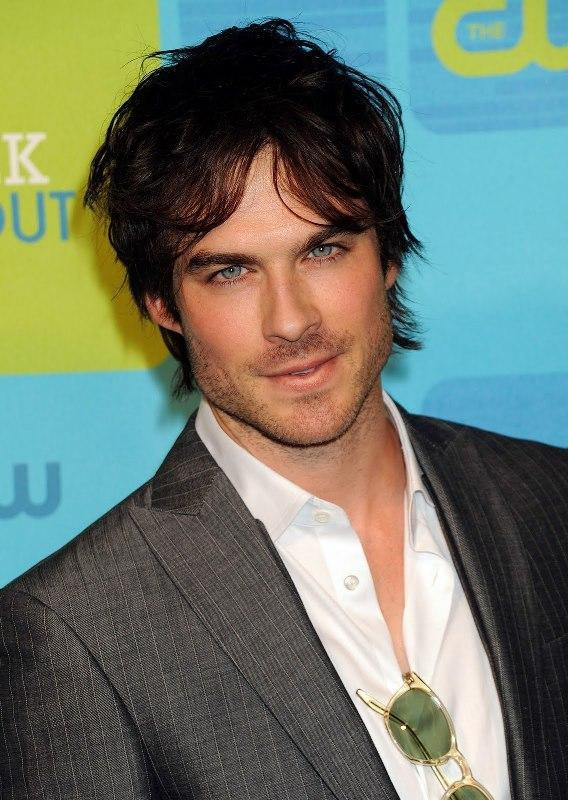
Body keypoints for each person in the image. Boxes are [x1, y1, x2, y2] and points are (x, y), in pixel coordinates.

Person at [0, 18, 566, 800]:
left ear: (388, 256)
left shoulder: (550, 502)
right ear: (162, 302)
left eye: (322, 250)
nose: (291, 321)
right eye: (230, 272)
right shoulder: (75, 631)